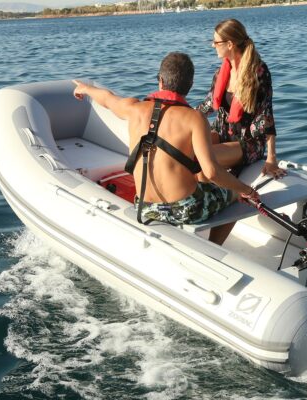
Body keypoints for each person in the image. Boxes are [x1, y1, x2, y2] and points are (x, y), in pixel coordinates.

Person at [73, 52, 260, 245]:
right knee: (236, 192)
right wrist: (246, 190)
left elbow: (107, 99)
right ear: (190, 85)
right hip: (186, 209)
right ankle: (214, 247)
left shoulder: (133, 108)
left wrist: (86, 88)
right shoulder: (194, 118)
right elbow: (211, 171)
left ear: (161, 81)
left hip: (145, 206)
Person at [197, 19, 286, 179]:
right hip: (222, 133)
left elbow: (266, 115)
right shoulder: (220, 73)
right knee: (186, 149)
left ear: (230, 44)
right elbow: (206, 106)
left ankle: (234, 190)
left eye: (216, 42)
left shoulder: (258, 72)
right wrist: (179, 117)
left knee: (204, 156)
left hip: (249, 142)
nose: (212, 45)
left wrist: (271, 157)